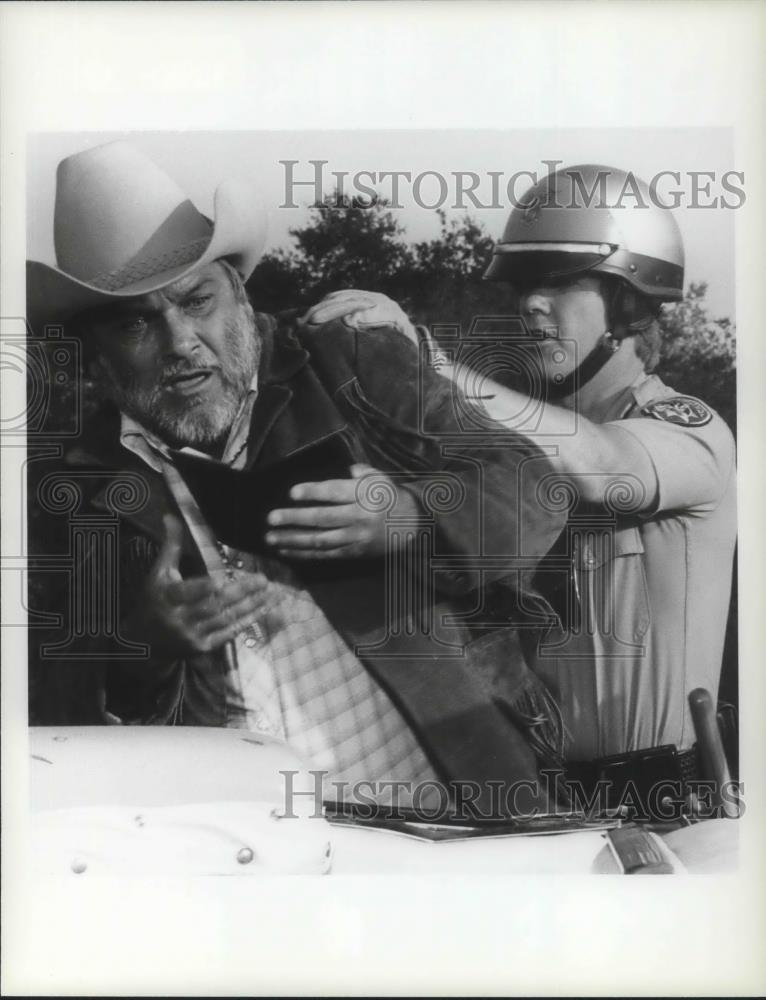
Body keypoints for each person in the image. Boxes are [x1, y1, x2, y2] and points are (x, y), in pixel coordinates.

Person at [26, 141, 569, 816]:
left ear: (239, 292)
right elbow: (49, 715)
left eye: (197, 300)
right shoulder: (71, 489)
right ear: (94, 352)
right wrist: (143, 645)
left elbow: (533, 487)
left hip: (448, 818)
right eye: (135, 323)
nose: (180, 342)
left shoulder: (349, 364)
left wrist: (409, 517)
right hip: (242, 847)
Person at [306, 164, 737, 813]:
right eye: (525, 286)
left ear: (628, 303)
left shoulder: (690, 430)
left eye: (559, 282)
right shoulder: (516, 457)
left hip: (671, 806)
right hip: (547, 803)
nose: (531, 303)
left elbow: (601, 462)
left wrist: (427, 359)